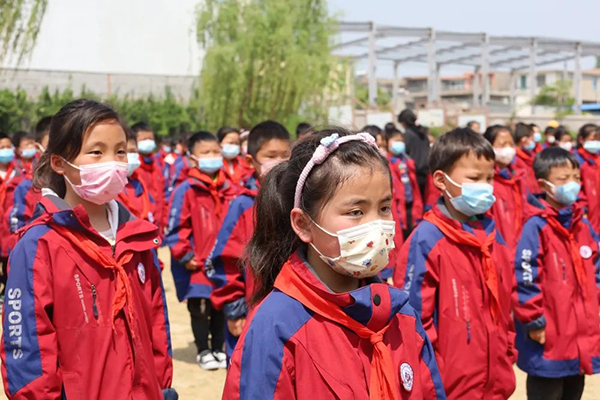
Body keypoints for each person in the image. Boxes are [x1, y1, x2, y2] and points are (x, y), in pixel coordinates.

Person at [223, 129, 446, 399]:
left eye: (384, 208)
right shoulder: (276, 326)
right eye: (356, 212)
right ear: (304, 224)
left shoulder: (401, 315)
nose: (376, 225)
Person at [0, 99, 176, 399]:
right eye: (97, 152)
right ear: (59, 163)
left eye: (120, 151)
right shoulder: (39, 245)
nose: (112, 162)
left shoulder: (137, 237)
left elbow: (156, 324)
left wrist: (162, 387)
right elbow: (28, 350)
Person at [395, 128, 516, 399]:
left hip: (495, 379)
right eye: (474, 178)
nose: (485, 186)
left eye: (489, 178)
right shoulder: (427, 239)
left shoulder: (492, 235)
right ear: (441, 180)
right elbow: (415, 319)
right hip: (449, 384)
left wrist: (507, 349)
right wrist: (430, 376)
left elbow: (504, 303)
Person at [513, 147, 600, 400]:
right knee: (547, 389)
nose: (572, 184)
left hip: (580, 330)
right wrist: (534, 321)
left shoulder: (581, 224)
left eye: (576, 178)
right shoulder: (536, 226)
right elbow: (525, 276)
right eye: (564, 179)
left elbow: (595, 265)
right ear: (544, 185)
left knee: (574, 388)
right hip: (549, 333)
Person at [208, 121, 291, 357]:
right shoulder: (243, 206)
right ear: (251, 160)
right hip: (252, 310)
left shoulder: (297, 202)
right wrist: (234, 309)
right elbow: (225, 260)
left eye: (285, 155)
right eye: (271, 156)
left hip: (291, 309)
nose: (279, 162)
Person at [166, 130, 237, 370]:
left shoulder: (230, 189)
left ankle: (218, 347)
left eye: (215, 151)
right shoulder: (186, 190)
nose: (212, 156)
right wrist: (184, 255)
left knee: (220, 305)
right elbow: (176, 226)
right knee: (198, 306)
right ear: (193, 158)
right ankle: (203, 349)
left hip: (223, 261)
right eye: (205, 152)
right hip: (197, 262)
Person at [484, 125, 527, 251]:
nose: (508, 149)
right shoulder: (486, 181)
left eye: (511, 144)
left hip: (518, 245)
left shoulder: (517, 177)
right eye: (503, 144)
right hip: (497, 249)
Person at [385, 125, 423, 238]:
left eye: (401, 141)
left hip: (409, 203)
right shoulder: (386, 162)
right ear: (387, 143)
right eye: (395, 141)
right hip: (397, 205)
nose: (399, 144)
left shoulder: (407, 161)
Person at [117, 129, 158, 225]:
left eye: (133, 151)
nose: (129, 156)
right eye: (123, 152)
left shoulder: (138, 181)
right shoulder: (109, 188)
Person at [132, 122, 167, 232]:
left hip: (157, 223)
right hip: (140, 225)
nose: (148, 142)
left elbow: (162, 195)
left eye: (150, 139)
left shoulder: (156, 167)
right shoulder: (133, 169)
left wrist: (164, 220)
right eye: (144, 139)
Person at [398, 109, 430, 201]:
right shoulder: (422, 133)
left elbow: (405, 151)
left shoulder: (408, 134)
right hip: (425, 170)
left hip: (413, 171)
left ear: (403, 122)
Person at [574, 124, 599, 233]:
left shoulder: (597, 158)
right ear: (581, 139)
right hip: (587, 210)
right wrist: (582, 208)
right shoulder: (577, 159)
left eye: (598, 140)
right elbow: (575, 187)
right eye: (593, 139)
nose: (596, 142)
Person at [514, 122, 540, 195]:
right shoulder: (515, 159)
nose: (533, 140)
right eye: (531, 137)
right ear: (524, 139)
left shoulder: (529, 155)